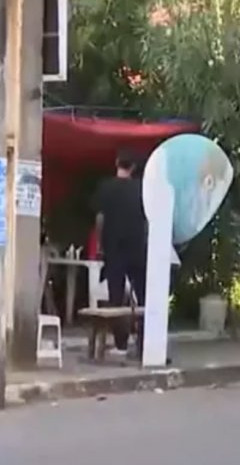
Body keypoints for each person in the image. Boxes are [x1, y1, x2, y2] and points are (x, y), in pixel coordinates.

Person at [91, 148, 148, 353]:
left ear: (117, 163)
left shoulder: (105, 187)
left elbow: (100, 218)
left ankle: (121, 343)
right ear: (133, 167)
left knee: (115, 297)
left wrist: (99, 244)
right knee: (143, 297)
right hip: (137, 248)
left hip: (113, 248)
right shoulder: (142, 189)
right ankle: (144, 344)